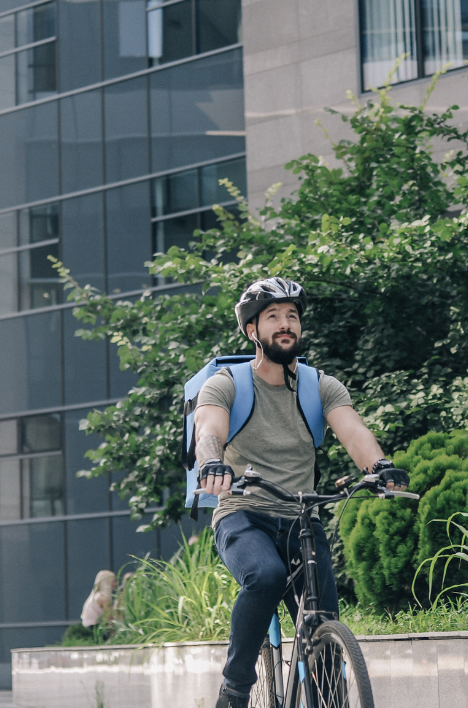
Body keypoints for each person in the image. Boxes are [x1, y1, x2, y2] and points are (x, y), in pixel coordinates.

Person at [194, 277, 409, 708]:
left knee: (324, 629)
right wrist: (212, 462)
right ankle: (236, 686)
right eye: (273, 316)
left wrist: (380, 469)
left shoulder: (319, 385)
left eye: (292, 315)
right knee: (266, 576)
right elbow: (208, 430)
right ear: (253, 330)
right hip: (243, 513)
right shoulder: (227, 383)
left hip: (300, 520)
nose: (285, 323)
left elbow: (354, 432)